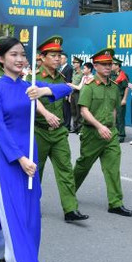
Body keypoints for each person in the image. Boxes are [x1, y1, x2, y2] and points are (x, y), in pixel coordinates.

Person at [0, 37, 73, 262]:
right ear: (0, 59)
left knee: (30, 216)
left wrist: (43, 93)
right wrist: (20, 158)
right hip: (7, 157)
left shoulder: (29, 87)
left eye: (23, 54)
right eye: (13, 54)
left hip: (31, 152)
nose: (20, 59)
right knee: (15, 217)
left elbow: (67, 87)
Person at [28, 36, 88, 224]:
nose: (57, 58)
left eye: (59, 55)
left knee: (65, 170)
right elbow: (33, 99)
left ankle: (70, 209)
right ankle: (32, 207)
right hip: (39, 131)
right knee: (36, 171)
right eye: (52, 55)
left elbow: (67, 91)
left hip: (59, 132)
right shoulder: (33, 78)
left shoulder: (62, 77)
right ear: (42, 57)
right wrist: (46, 114)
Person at [73, 49, 132, 217]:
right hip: (92, 132)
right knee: (83, 165)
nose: (108, 67)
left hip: (110, 133)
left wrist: (111, 127)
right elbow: (84, 111)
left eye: (110, 64)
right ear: (95, 66)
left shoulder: (114, 87)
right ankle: (69, 192)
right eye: (104, 64)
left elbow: (114, 109)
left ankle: (115, 203)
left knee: (113, 168)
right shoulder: (89, 86)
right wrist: (99, 126)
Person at [112, 58, 130, 143]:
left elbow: (126, 88)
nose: (111, 66)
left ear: (117, 66)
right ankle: (115, 133)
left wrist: (124, 99)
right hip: (113, 98)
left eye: (113, 64)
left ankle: (121, 135)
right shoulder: (111, 74)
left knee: (120, 117)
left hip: (120, 98)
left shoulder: (123, 75)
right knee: (113, 117)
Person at [70, 57, 84, 133]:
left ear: (79, 64)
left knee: (79, 111)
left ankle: (80, 127)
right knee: (73, 111)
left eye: (75, 63)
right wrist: (69, 95)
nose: (74, 64)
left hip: (78, 93)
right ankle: (75, 127)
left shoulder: (82, 73)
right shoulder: (74, 72)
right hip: (72, 93)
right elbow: (72, 83)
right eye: (73, 63)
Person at [59, 53, 73, 129]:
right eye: (60, 58)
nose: (60, 60)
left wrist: (67, 94)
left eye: (62, 58)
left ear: (66, 59)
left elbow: (68, 81)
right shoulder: (61, 68)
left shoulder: (69, 68)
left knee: (67, 109)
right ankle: (64, 123)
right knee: (63, 109)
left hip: (66, 92)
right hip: (61, 91)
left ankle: (67, 125)